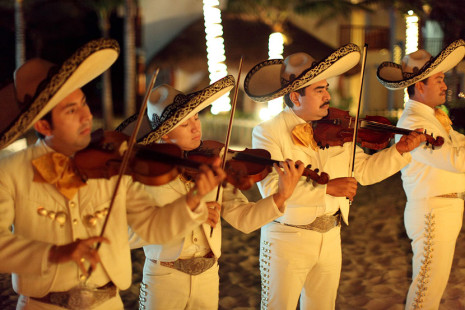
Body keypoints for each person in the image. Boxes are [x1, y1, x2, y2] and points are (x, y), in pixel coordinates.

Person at [0, 38, 226, 310]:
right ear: (43, 124)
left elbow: (151, 225)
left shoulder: (113, 163)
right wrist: (53, 253)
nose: (86, 116)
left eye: (83, 103)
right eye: (71, 110)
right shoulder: (10, 172)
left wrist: (193, 200)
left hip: (108, 303)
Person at [243, 43, 427, 310]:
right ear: (295, 97)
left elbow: (363, 170)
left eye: (326, 88)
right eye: (319, 90)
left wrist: (399, 150)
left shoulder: (339, 126)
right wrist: (327, 189)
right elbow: (273, 190)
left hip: (331, 236)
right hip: (287, 239)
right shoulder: (268, 132)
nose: (327, 95)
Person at [116, 79, 305, 310]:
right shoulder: (142, 173)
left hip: (208, 276)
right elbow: (126, 235)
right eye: (185, 124)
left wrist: (280, 197)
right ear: (164, 134)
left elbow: (242, 218)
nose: (196, 127)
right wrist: (190, 214)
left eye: (196, 117)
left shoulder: (214, 161)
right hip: (164, 278)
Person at [377, 39, 465, 309]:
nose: (445, 86)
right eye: (439, 79)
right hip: (432, 213)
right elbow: (453, 159)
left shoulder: (434, 117)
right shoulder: (414, 122)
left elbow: (458, 144)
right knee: (426, 290)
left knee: (432, 288)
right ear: (419, 86)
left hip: (445, 209)